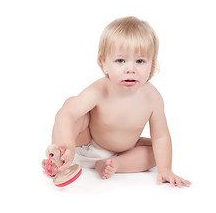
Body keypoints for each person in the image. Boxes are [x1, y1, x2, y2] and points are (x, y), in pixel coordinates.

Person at [42, 16, 191, 187]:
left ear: (152, 64)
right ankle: (60, 156)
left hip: (125, 151)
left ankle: (113, 165)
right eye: (120, 60)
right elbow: (65, 114)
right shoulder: (100, 90)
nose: (130, 69)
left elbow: (161, 135)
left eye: (140, 61)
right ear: (104, 62)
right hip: (86, 142)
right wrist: (68, 141)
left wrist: (165, 168)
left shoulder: (153, 97)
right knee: (71, 106)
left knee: (156, 152)